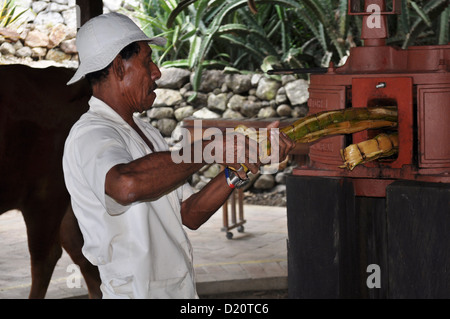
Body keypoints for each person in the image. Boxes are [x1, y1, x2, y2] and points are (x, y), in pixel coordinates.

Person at [63, 12, 295, 299]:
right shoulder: (90, 134)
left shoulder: (147, 133)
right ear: (119, 68)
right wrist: (210, 147)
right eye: (147, 60)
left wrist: (238, 170)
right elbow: (125, 185)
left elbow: (189, 214)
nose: (157, 71)